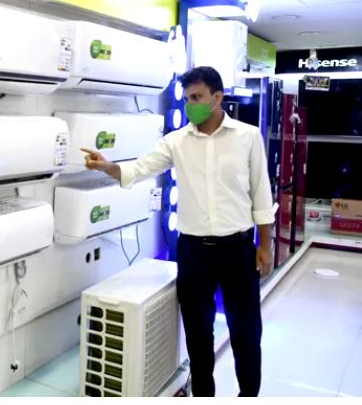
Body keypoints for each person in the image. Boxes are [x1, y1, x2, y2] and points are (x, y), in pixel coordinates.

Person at [81, 66, 274, 397]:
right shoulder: (176, 142)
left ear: (217, 97)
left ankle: (248, 396)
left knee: (246, 332)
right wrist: (107, 166)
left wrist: (265, 246)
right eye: (187, 99)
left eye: (197, 97)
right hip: (194, 252)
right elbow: (139, 169)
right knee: (198, 336)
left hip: (238, 250)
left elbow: (261, 194)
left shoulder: (247, 137)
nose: (190, 105)